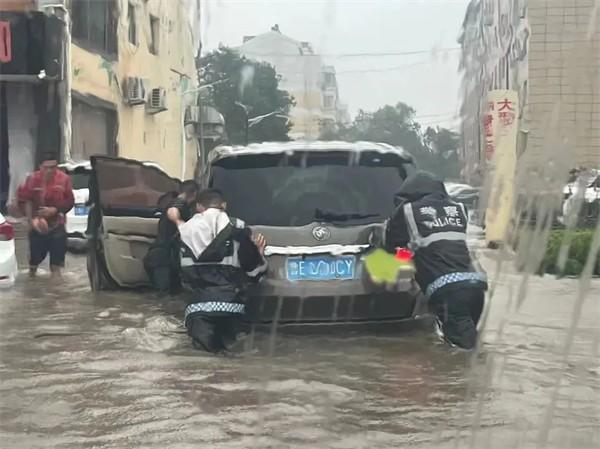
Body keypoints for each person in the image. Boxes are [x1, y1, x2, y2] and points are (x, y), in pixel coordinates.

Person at [385, 171, 487, 350]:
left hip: (448, 291)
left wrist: (409, 258)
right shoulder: (459, 209)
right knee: (465, 342)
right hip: (476, 286)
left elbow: (392, 248)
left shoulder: (408, 210)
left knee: (465, 352)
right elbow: (442, 244)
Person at [173, 189, 267, 353]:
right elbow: (254, 272)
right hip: (231, 307)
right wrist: (259, 254)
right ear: (224, 205)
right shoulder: (238, 227)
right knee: (231, 360)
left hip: (197, 309)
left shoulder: (184, 231)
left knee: (202, 363)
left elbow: (174, 273)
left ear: (199, 207)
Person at [17, 152, 74, 278]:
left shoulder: (64, 179)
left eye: (53, 167)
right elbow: (23, 200)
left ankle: (55, 295)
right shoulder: (31, 179)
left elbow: (70, 202)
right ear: (40, 166)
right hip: (37, 226)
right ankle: (32, 289)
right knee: (33, 264)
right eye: (46, 167)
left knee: (56, 266)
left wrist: (55, 210)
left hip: (57, 226)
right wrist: (31, 220)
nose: (49, 170)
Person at [143, 180, 198, 295]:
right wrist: (180, 223)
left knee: (167, 296)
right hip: (162, 259)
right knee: (164, 297)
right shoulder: (179, 203)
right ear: (194, 194)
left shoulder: (176, 203)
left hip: (161, 257)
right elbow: (173, 210)